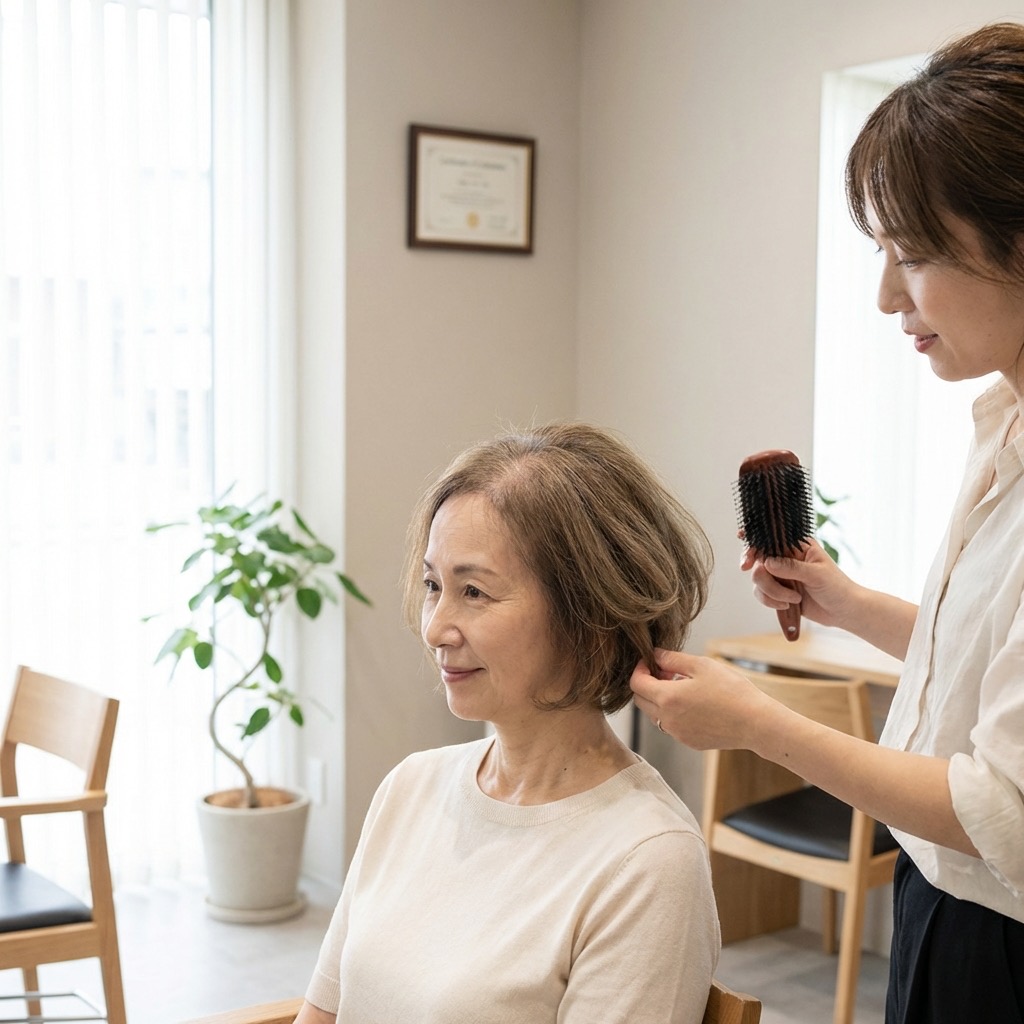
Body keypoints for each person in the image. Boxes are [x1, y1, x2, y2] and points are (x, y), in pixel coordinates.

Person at [631, 21, 1024, 1024]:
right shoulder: (1002, 425)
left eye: (913, 254)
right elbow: (982, 659)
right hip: (934, 894)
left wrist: (759, 726)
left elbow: (1003, 811)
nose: (886, 293)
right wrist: (844, 601)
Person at [295, 422, 720, 1024]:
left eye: (474, 592)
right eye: (433, 585)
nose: (435, 628)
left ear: (588, 614)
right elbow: (325, 1009)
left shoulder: (647, 863)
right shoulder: (410, 787)